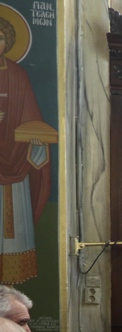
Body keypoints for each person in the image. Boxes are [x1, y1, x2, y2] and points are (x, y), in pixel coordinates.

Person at [0, 17, 54, 285]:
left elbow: (32, 117)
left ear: (9, 42)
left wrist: (36, 138)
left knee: (15, 221)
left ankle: (13, 276)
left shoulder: (19, 75)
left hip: (17, 155)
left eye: (0, 38)